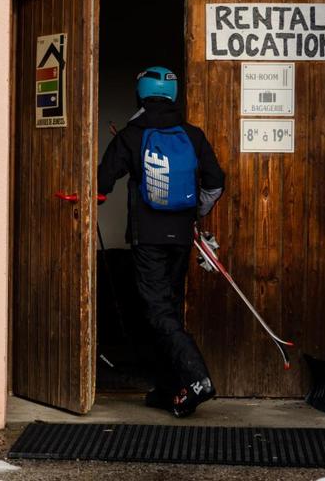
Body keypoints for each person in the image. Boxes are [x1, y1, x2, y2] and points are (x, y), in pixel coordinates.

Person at [97, 66, 225, 417]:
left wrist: (96, 194)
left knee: (157, 312)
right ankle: (169, 389)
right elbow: (215, 182)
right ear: (173, 95)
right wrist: (193, 213)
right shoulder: (192, 135)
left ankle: (198, 379)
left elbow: (101, 181)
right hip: (182, 238)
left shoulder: (132, 135)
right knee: (168, 310)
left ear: (140, 94)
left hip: (147, 239)